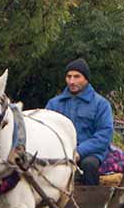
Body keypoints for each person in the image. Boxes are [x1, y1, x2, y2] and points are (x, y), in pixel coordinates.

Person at [46, 58, 113, 186]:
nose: (72, 81)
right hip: (59, 154)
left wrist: (78, 152)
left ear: (86, 79)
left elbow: (104, 136)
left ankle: (91, 204)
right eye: (69, 76)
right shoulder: (54, 104)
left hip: (89, 154)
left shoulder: (101, 105)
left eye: (77, 77)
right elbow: (46, 132)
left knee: (89, 165)